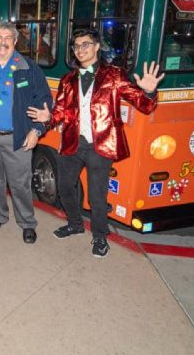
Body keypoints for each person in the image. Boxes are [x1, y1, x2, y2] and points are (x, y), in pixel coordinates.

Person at [27, 29, 164, 257]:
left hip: (101, 145)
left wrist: (149, 92)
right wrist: (48, 118)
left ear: (97, 47)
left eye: (86, 44)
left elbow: (144, 105)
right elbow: (60, 111)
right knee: (64, 188)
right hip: (72, 143)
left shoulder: (114, 75)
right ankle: (75, 224)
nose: (80, 50)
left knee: (97, 196)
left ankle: (100, 237)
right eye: (77, 46)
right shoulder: (68, 79)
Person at [0, 22, 52, 244]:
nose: (3, 42)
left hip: (18, 138)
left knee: (20, 183)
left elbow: (44, 101)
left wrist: (37, 129)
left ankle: (27, 222)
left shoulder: (29, 68)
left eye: (8, 37)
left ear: (15, 42)